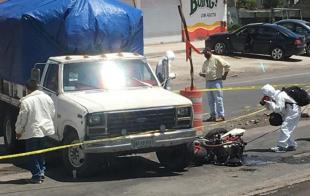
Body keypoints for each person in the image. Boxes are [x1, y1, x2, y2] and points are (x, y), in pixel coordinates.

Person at [15, 79, 55, 184]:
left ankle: (37, 175)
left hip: (32, 132)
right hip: (44, 130)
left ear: (27, 89)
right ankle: (41, 173)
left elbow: (22, 119)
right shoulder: (47, 98)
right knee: (40, 153)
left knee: (31, 154)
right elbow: (52, 113)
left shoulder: (26, 102)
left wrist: (18, 131)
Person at [261, 84, 301, 152]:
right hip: (288, 111)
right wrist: (267, 103)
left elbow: (278, 109)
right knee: (286, 128)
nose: (264, 95)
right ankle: (291, 145)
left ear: (268, 92)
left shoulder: (280, 95)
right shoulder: (274, 96)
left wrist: (270, 103)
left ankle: (281, 146)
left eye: (265, 93)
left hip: (293, 112)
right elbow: (274, 109)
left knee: (285, 128)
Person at [199, 49, 230, 122]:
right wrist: (202, 74)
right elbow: (205, 73)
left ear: (210, 51)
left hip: (216, 82)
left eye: (206, 53)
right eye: (204, 54)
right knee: (210, 100)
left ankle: (221, 116)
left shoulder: (217, 58)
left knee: (218, 99)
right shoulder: (205, 62)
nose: (205, 55)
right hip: (208, 82)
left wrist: (224, 75)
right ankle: (213, 115)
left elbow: (227, 66)